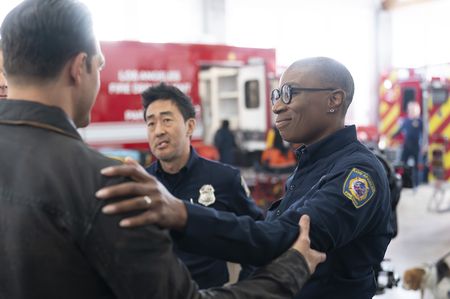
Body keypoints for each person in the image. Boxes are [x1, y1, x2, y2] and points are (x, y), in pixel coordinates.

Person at [0, 1, 326, 298]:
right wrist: (290, 269)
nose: (158, 130)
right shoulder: (110, 187)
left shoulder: (213, 178)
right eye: (99, 67)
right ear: (78, 68)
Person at [98, 56, 394, 299]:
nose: (277, 106)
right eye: (276, 95)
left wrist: (181, 214)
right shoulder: (311, 165)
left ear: (334, 100)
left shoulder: (358, 174)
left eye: (289, 93)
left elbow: (281, 239)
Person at [140, 82, 264, 288]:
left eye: (167, 120)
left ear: (189, 126)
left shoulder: (225, 179)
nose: (158, 131)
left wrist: (244, 288)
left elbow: (258, 236)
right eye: (151, 123)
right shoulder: (140, 184)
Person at [393, 101, 423, 188]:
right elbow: (399, 130)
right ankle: (402, 182)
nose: (411, 111)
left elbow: (424, 134)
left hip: (416, 147)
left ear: (417, 110)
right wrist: (391, 136)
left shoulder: (420, 121)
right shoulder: (406, 120)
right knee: (402, 165)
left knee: (417, 167)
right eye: (410, 109)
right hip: (406, 146)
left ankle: (416, 184)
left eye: (413, 109)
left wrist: (425, 145)